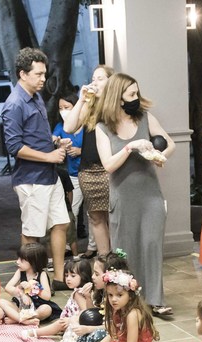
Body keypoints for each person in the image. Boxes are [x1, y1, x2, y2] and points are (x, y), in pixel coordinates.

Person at [96, 73, 176, 316]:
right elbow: (108, 165)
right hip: (123, 198)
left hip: (150, 195)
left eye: (136, 93)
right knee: (125, 249)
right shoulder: (102, 128)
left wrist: (159, 155)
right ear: (117, 98)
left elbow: (170, 144)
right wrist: (131, 147)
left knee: (152, 245)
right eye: (131, 94)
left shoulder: (145, 118)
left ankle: (155, 299)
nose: (136, 98)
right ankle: (127, 298)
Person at [3, 48, 70, 285]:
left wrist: (54, 141)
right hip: (31, 178)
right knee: (32, 234)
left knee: (61, 223)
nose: (43, 79)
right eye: (38, 74)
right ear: (23, 74)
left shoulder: (36, 96)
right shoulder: (14, 104)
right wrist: (49, 157)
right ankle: (29, 282)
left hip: (49, 176)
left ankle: (60, 278)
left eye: (44, 73)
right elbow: (14, 147)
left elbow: (35, 134)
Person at [30, 265, 161, 342]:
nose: (114, 299)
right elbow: (113, 335)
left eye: (119, 295)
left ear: (131, 296)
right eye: (110, 295)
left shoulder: (133, 314)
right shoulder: (118, 309)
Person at [65, 64, 113, 256]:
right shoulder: (89, 107)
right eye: (93, 78)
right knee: (95, 218)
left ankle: (119, 260)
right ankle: (103, 259)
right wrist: (81, 100)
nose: (95, 82)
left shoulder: (117, 107)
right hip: (88, 171)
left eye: (100, 78)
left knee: (115, 217)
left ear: (112, 81)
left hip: (110, 169)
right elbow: (69, 127)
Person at [0, 242, 60, 324]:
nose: (17, 262)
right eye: (18, 258)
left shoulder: (42, 274)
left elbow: (47, 296)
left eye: (22, 260)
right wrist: (23, 294)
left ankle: (19, 318)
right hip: (21, 306)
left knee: (46, 309)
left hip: (37, 307)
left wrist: (32, 288)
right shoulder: (20, 271)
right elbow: (8, 287)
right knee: (0, 302)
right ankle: (21, 319)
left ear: (33, 262)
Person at [53, 93, 84, 255]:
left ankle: (95, 247)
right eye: (60, 108)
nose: (63, 111)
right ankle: (69, 246)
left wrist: (80, 151)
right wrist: (58, 142)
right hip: (73, 175)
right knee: (73, 212)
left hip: (90, 172)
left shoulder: (87, 125)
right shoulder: (61, 127)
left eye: (67, 107)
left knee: (95, 214)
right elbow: (53, 138)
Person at [34, 256, 94, 339]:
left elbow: (85, 311)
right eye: (66, 275)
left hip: (74, 322)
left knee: (58, 324)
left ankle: (34, 332)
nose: (68, 279)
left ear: (83, 276)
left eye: (73, 276)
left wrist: (71, 320)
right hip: (72, 321)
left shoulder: (78, 293)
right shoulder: (80, 290)